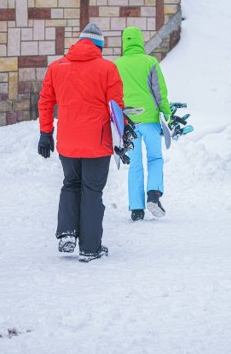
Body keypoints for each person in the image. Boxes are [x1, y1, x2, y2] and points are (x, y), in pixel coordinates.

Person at [37, 22, 124, 263]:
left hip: (67, 142)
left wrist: (45, 133)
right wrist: (120, 139)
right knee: (92, 192)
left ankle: (66, 232)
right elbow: (116, 107)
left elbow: (45, 101)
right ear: (99, 45)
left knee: (70, 184)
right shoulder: (108, 69)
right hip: (97, 143)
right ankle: (90, 248)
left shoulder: (57, 67)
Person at [114, 26, 171, 221]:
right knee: (155, 158)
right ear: (140, 41)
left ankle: (136, 209)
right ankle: (153, 195)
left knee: (135, 164)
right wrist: (167, 114)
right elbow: (160, 92)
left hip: (128, 123)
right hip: (151, 120)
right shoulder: (150, 62)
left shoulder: (117, 65)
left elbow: (113, 96)